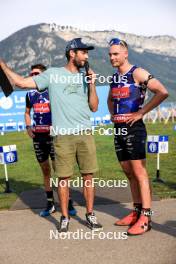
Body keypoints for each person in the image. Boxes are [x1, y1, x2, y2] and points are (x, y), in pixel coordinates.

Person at [0, 38, 103, 233]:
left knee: (88, 176)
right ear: (72, 53)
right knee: (63, 178)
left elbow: (94, 107)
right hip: (62, 136)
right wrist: (2, 65)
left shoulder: (85, 76)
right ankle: (64, 217)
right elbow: (20, 83)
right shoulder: (53, 74)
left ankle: (90, 215)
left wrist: (92, 84)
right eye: (83, 52)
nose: (86, 56)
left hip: (85, 134)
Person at [107, 38, 168, 235]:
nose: (112, 57)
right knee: (127, 171)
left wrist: (141, 112)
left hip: (134, 128)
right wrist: (113, 115)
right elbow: (110, 98)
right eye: (110, 54)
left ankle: (146, 217)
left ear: (125, 54)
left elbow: (162, 91)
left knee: (139, 171)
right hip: (119, 128)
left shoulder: (138, 72)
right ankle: (136, 211)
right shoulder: (114, 77)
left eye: (115, 54)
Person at [25, 64, 77, 217]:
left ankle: (68, 202)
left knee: (61, 171)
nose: (33, 76)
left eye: (36, 73)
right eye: (31, 73)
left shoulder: (54, 90)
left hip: (54, 136)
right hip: (38, 137)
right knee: (46, 170)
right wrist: (28, 127)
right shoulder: (29, 94)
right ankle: (50, 204)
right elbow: (27, 112)